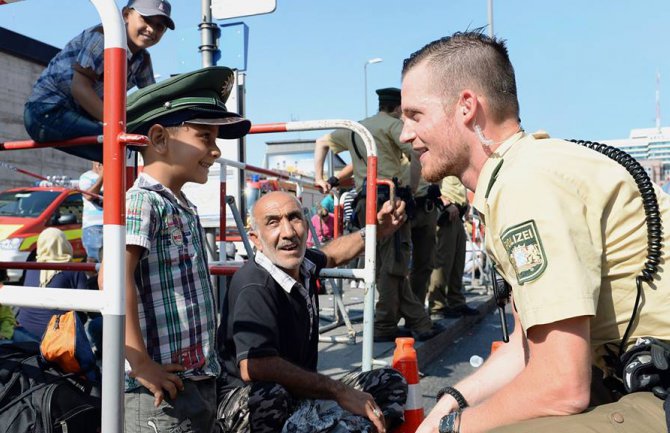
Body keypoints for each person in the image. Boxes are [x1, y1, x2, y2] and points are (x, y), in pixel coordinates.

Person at [400, 31, 670, 433]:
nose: (404, 134)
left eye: (415, 115)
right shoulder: (524, 171)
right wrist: (453, 403)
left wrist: (450, 429)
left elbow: (562, 386)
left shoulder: (526, 184)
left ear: (466, 107)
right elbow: (529, 343)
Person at [113, 66, 251, 433]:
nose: (216, 149)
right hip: (156, 391)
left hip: (194, 379)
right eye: (205, 136)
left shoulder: (181, 205)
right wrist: (139, 362)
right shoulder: (142, 202)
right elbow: (112, 277)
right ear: (158, 137)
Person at [217, 191, 408, 433]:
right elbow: (254, 366)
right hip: (247, 402)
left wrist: (375, 231)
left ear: (306, 225)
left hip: (300, 395)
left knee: (390, 381)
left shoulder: (302, 262)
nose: (288, 232)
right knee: (272, 395)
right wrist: (338, 391)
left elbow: (333, 253)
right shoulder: (254, 284)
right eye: (273, 222)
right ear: (255, 238)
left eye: (294, 218)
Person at [314, 87, 440, 343]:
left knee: (384, 264)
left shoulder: (357, 127)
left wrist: (319, 177)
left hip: (364, 200)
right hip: (387, 199)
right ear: (396, 108)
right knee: (394, 264)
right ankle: (386, 324)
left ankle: (414, 321)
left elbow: (321, 142)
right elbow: (415, 157)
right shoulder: (393, 126)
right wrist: (411, 191)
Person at [23, 0, 174, 162]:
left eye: (159, 27)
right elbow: (79, 88)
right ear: (126, 15)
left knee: (137, 145)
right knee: (123, 145)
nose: (151, 29)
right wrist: (121, 125)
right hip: (46, 111)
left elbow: (151, 100)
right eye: (146, 19)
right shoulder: (104, 37)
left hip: (75, 114)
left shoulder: (142, 59)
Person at [17, 228, 89, 340]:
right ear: (64, 244)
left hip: (24, 333)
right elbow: (87, 306)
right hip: (58, 337)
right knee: (94, 325)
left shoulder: (30, 267)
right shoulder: (75, 270)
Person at [427, 176, 479, 319]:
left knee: (457, 260)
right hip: (446, 210)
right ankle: (437, 306)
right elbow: (429, 178)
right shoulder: (439, 154)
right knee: (443, 261)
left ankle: (455, 301)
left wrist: (465, 203)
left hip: (457, 211)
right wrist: (443, 201)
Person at [79, 162, 104, 262]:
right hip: (94, 226)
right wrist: (102, 177)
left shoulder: (114, 175)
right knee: (95, 263)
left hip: (111, 225)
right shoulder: (86, 177)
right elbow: (89, 196)